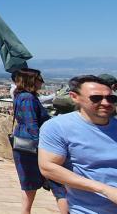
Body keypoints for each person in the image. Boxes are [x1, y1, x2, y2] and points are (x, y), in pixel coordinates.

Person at [39, 75, 117, 213]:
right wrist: (105, 190)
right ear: (75, 97)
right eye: (96, 98)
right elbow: (48, 167)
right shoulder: (58, 127)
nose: (105, 103)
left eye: (111, 98)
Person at [11, 69, 68, 214]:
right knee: (58, 182)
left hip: (24, 143)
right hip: (32, 146)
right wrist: (44, 146)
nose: (42, 81)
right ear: (31, 80)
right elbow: (32, 124)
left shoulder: (20, 96)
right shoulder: (28, 98)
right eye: (39, 78)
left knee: (29, 184)